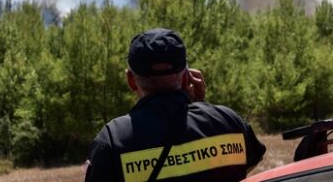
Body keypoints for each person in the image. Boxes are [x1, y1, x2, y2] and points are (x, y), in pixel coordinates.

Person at [84, 28, 266, 182]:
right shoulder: (228, 121)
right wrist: (203, 108)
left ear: (131, 80)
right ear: (187, 76)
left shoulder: (112, 141)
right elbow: (247, 167)